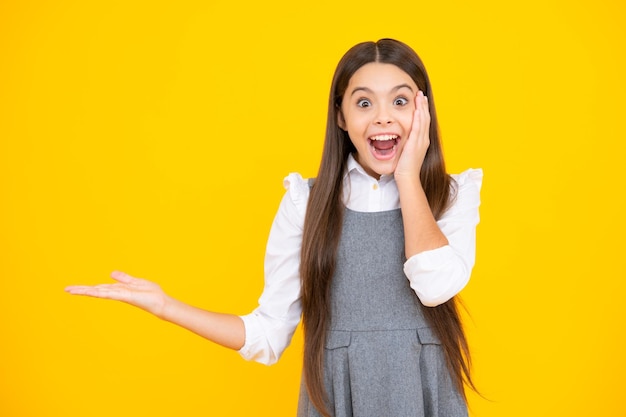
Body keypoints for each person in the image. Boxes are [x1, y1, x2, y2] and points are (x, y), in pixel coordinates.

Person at [66, 38, 482, 417]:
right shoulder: (306, 202)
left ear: (422, 111)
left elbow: (436, 286)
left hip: (428, 400)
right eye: (364, 103)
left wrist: (409, 178)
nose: (383, 118)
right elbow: (267, 335)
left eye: (400, 101)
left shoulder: (453, 195)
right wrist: (167, 306)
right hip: (335, 400)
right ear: (340, 115)